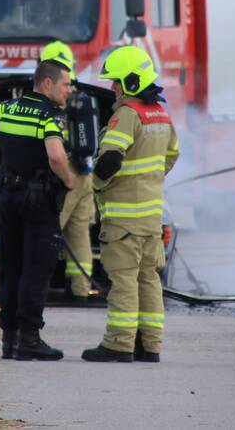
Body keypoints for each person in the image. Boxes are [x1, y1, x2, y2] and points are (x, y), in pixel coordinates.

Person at [82, 46, 179, 363]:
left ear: (132, 82)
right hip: (151, 219)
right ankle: (150, 345)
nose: (112, 89)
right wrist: (151, 177)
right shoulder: (162, 115)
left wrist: (94, 185)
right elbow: (171, 156)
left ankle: (119, 344)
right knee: (149, 280)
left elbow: (110, 159)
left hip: (123, 221)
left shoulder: (126, 115)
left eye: (116, 83)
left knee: (123, 280)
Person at [0, 61, 76, 361]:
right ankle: (30, 339)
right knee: (37, 267)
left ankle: (9, 339)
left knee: (11, 265)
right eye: (65, 84)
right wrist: (71, 181)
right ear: (47, 83)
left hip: (7, 198)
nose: (69, 90)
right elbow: (56, 157)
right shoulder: (50, 116)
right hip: (38, 202)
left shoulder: (9, 109)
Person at [40, 40, 97, 300]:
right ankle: (81, 290)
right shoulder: (82, 99)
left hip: (66, 178)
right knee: (79, 235)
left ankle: (38, 287)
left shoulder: (54, 105)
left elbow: (52, 148)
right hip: (86, 175)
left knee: (48, 233)